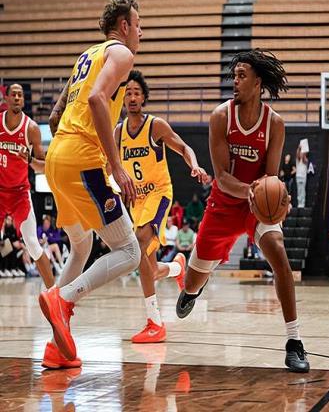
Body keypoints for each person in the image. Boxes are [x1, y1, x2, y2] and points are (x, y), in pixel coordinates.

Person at [176, 49, 309, 372]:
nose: (234, 82)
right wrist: (251, 191)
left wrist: (274, 197)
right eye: (234, 76)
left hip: (255, 209)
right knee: (190, 285)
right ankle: (195, 286)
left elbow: (271, 177)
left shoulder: (275, 124)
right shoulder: (221, 117)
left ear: (258, 82)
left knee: (279, 256)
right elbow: (221, 177)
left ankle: (294, 342)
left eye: (241, 76)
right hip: (223, 204)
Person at [38, 0, 143, 369]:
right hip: (83, 160)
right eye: (138, 25)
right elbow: (98, 100)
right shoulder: (121, 54)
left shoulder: (87, 55)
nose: (141, 33)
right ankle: (63, 299)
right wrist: (115, 166)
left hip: (57, 157)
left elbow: (55, 115)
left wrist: (69, 150)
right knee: (129, 252)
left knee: (81, 246)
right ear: (124, 26)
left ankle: (55, 348)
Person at [116, 69, 207, 343]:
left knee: (137, 245)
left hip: (158, 193)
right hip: (135, 200)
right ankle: (178, 267)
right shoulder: (118, 132)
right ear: (123, 98)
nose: (132, 97)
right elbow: (110, 166)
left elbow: (184, 148)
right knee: (150, 269)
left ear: (144, 98)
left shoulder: (155, 126)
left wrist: (194, 165)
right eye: (128, 93)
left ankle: (155, 323)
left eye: (136, 93)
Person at [0, 83, 55, 286]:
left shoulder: (31, 128)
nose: (17, 97)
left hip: (19, 194)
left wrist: (30, 159)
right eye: (13, 94)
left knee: (32, 243)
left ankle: (53, 293)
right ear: (6, 99)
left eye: (20, 95)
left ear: (23, 100)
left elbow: (44, 167)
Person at [295, 144, 308, 208]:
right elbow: (297, 154)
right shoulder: (297, 160)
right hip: (298, 176)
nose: (301, 154)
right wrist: (299, 148)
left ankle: (302, 203)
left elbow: (304, 156)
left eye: (302, 153)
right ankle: (299, 203)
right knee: (299, 190)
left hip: (303, 177)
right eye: (300, 153)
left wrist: (303, 150)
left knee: (302, 190)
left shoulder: (305, 160)